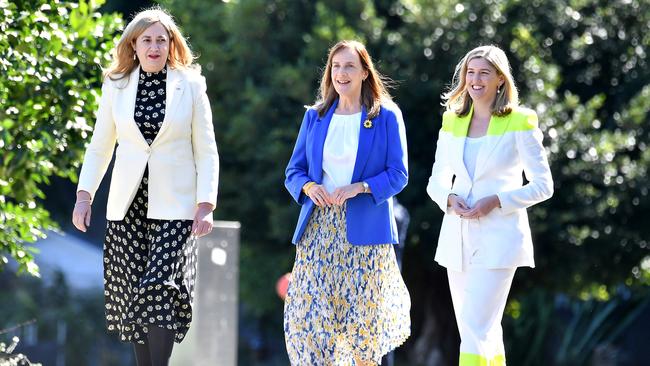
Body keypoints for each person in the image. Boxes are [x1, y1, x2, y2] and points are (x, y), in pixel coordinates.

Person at [71, 7, 219, 366]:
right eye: (147, 40)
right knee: (133, 295)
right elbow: (99, 146)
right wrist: (84, 195)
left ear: (171, 45)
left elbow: (207, 148)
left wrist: (206, 203)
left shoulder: (192, 85)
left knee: (160, 288)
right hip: (128, 205)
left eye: (161, 40)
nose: (154, 47)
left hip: (177, 206)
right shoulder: (116, 85)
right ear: (133, 45)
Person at [284, 40, 411, 366]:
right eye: (336, 66)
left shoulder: (385, 117)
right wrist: (310, 186)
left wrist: (361, 187)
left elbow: (398, 174)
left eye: (349, 66)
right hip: (318, 234)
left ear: (365, 72)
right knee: (314, 329)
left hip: (367, 237)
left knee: (362, 335)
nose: (341, 73)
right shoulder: (315, 116)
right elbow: (293, 172)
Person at [427, 45, 553, 365]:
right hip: (457, 239)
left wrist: (496, 200)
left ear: (500, 79)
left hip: (499, 239)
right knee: (483, 330)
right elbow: (436, 181)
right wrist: (449, 198)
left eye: (484, 72)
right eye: (470, 72)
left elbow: (543, 186)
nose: (475, 79)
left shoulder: (520, 121)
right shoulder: (452, 120)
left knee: (475, 325)